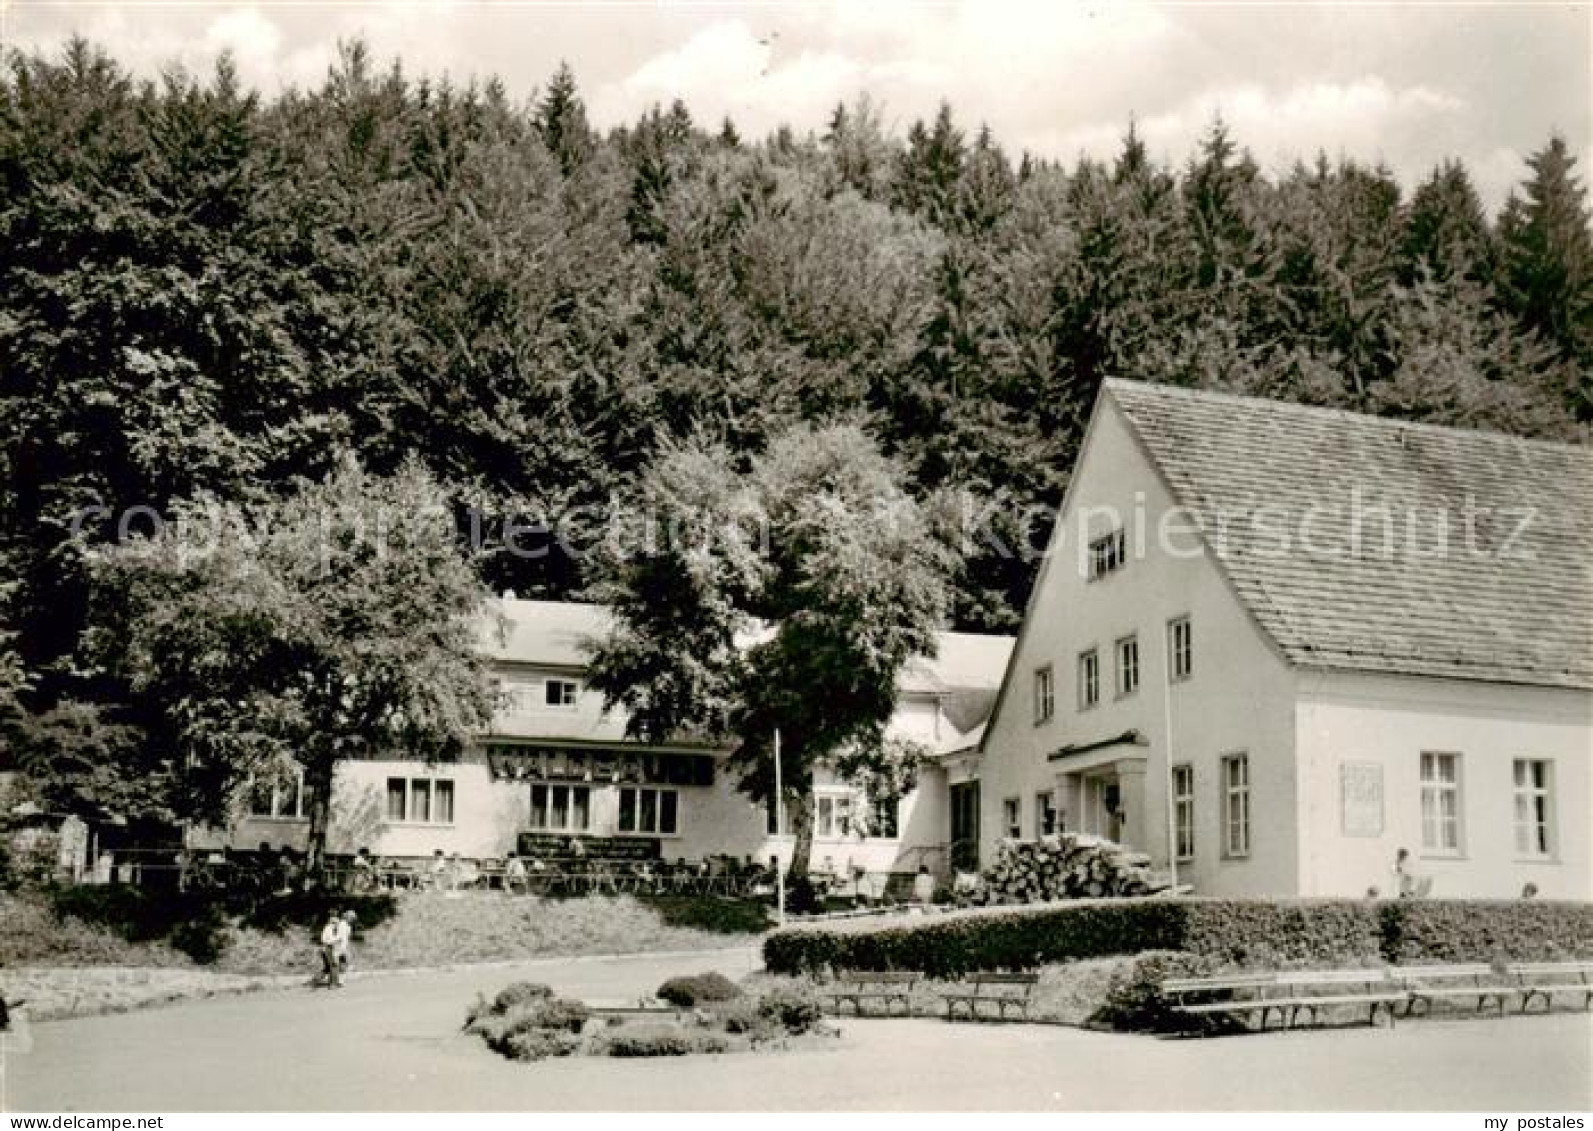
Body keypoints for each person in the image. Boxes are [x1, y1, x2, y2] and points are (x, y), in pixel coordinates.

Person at [318, 910, 344, 988]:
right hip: (328, 948)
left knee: (332, 966)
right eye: (336, 924)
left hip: (329, 947)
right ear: (332, 923)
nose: (337, 926)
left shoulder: (329, 929)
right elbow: (326, 940)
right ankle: (333, 984)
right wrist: (337, 940)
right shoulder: (328, 929)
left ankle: (333, 982)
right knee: (334, 965)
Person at [335, 910, 357, 978]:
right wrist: (341, 947)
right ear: (347, 917)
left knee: (343, 963)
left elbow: (347, 938)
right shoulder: (342, 924)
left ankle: (340, 978)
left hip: (344, 946)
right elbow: (340, 936)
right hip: (339, 946)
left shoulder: (348, 926)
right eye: (352, 918)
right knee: (339, 963)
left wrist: (347, 946)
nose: (352, 920)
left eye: (353, 919)